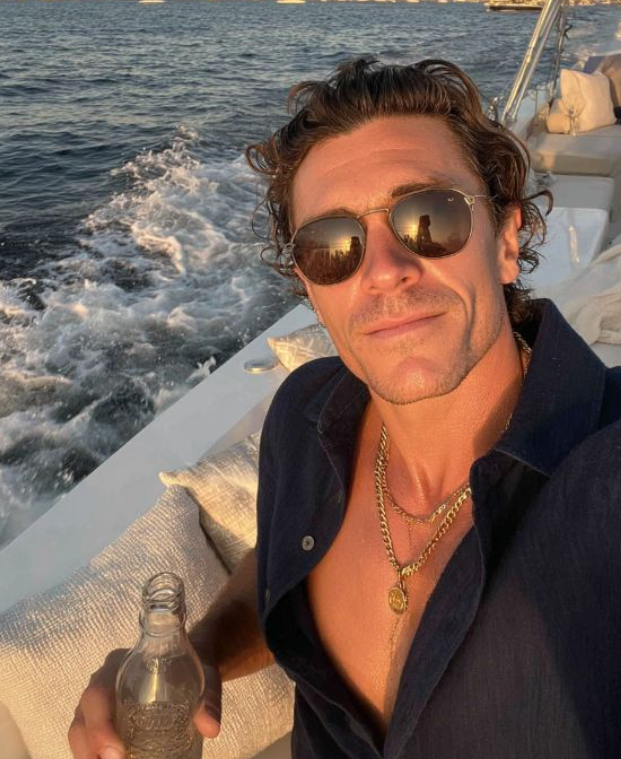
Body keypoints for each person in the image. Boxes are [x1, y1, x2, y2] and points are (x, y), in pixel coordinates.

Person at [69, 58, 621, 759]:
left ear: (506, 240)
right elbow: (286, 560)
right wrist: (201, 651)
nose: (384, 269)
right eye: (333, 246)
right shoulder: (304, 415)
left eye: (430, 217)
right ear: (310, 285)